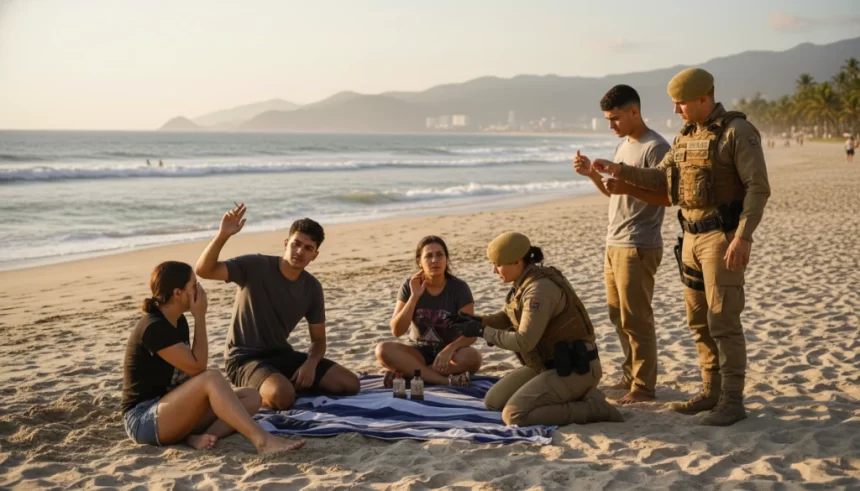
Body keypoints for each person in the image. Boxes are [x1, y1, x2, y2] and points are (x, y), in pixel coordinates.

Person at [592, 67, 771, 426]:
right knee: (698, 321)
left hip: (720, 239)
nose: (676, 111)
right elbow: (661, 177)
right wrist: (619, 170)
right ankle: (711, 391)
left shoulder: (737, 132)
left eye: (681, 104)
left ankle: (732, 401)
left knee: (723, 320)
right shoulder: (687, 135)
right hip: (689, 237)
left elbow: (758, 188)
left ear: (704, 98)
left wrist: (743, 236)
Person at [121, 260, 306, 454]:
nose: (200, 289)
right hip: (143, 418)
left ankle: (198, 438)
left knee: (251, 397)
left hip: (171, 407)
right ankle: (262, 441)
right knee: (211, 378)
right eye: (194, 285)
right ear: (177, 293)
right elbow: (198, 367)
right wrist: (200, 317)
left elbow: (191, 373)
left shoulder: (178, 321)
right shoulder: (153, 327)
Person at [195, 203, 360, 411]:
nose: (299, 252)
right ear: (286, 243)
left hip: (281, 354)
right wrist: (223, 235)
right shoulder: (255, 266)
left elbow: (318, 340)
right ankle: (251, 393)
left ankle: (276, 384)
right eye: (296, 244)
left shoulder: (312, 288)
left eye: (308, 248)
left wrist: (310, 365)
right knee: (283, 396)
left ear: (315, 255)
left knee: (350, 384)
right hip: (244, 359)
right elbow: (204, 270)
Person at [450, 232, 623, 426]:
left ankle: (592, 408)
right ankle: (569, 397)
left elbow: (524, 341)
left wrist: (482, 332)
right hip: (546, 365)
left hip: (575, 369)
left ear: (517, 262)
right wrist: (477, 321)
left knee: (515, 416)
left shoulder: (539, 289)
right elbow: (507, 317)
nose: (494, 270)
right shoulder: (524, 282)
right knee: (494, 402)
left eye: (498, 264)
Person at [573, 84, 671, 404]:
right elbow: (613, 193)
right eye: (607, 120)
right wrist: (591, 174)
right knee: (618, 316)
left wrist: (624, 184)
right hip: (614, 241)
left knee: (636, 318)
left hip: (639, 243)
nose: (611, 125)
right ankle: (631, 374)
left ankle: (643, 386)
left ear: (634, 112)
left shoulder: (655, 147)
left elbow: (667, 197)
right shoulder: (622, 147)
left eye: (615, 118)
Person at [376, 235, 482, 387]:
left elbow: (471, 333)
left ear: (447, 259)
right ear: (420, 262)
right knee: (382, 350)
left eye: (440, 255)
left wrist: (449, 350)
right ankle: (444, 380)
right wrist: (414, 297)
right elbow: (397, 330)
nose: (435, 260)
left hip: (450, 355)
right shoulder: (409, 286)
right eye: (429, 256)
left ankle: (410, 375)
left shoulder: (459, 288)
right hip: (417, 353)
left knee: (473, 357)